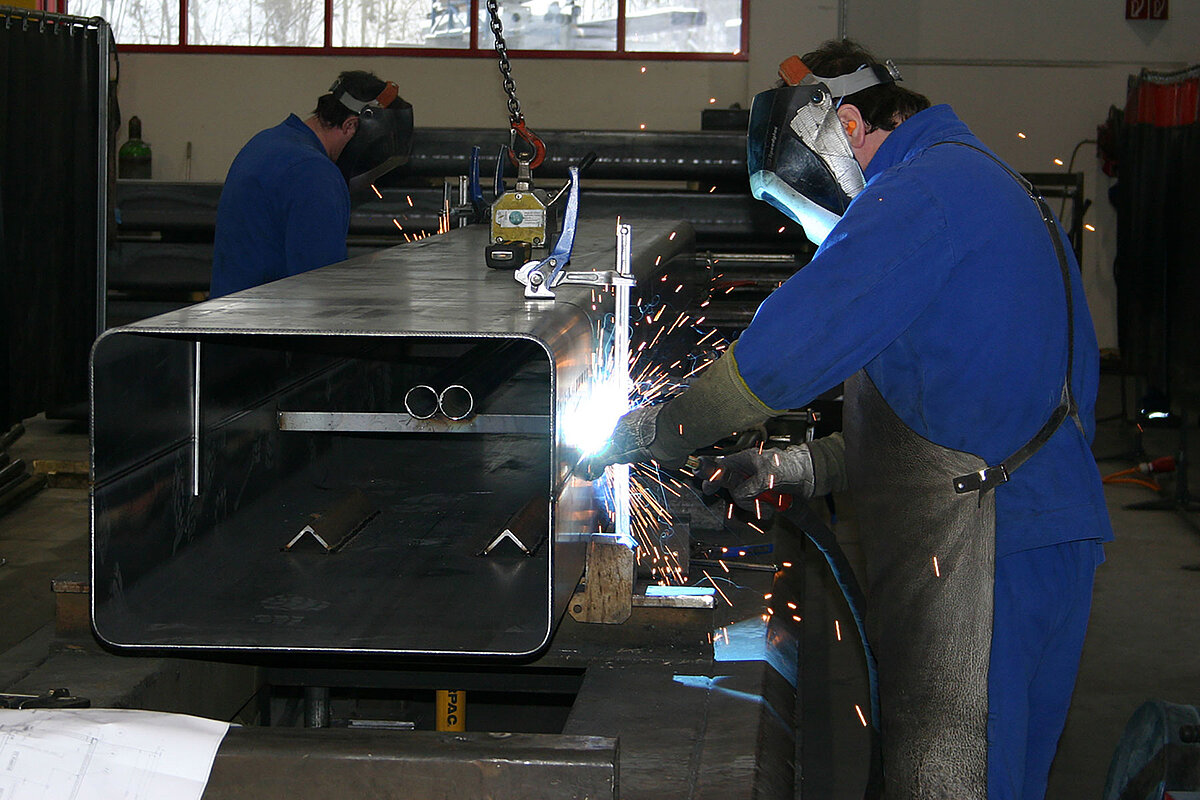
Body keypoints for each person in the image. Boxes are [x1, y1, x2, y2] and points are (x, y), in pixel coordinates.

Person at [584, 39, 1112, 800]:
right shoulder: (989, 184)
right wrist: (789, 466)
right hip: (1043, 535)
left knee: (957, 782)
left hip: (991, 556)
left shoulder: (916, 196)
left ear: (851, 126)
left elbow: (777, 360)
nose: (809, 231)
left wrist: (657, 430)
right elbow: (942, 417)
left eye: (803, 203)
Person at [210, 71, 412, 297]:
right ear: (350, 126)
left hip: (233, 310)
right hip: (269, 316)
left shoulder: (267, 141)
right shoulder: (315, 173)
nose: (371, 182)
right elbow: (321, 287)